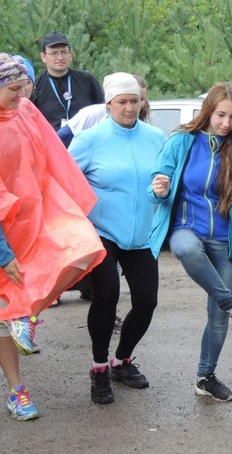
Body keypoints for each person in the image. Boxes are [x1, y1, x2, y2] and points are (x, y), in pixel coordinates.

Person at [0, 54, 105, 419]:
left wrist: (73, 201)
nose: (20, 94)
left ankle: (27, 315)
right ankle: (17, 391)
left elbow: (55, 154)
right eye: (13, 89)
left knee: (84, 247)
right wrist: (2, 252)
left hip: (38, 214)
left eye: (22, 87)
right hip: (4, 230)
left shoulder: (26, 111)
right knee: (1, 317)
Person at [148, 82, 232, 402]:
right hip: (187, 228)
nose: (225, 123)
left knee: (217, 317)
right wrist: (158, 190)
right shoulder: (182, 141)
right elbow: (156, 185)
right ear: (208, 111)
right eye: (220, 115)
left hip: (222, 243)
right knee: (186, 249)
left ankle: (206, 376)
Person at [69, 73, 166, 404]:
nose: (129, 108)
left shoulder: (155, 138)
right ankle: (98, 368)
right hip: (102, 231)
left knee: (147, 301)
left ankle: (121, 362)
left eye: (134, 101)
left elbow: (164, 181)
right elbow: (66, 182)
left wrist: (162, 192)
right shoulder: (90, 139)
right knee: (107, 294)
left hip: (141, 234)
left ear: (142, 102)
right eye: (122, 102)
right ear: (108, 104)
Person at [32, 32, 104, 131]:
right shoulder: (36, 86)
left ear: (70, 54)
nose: (60, 58)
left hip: (86, 140)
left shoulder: (87, 80)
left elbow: (101, 111)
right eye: (54, 53)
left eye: (64, 52)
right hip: (52, 142)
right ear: (43, 57)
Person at [57, 74, 150, 148]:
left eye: (137, 100)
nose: (130, 108)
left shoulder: (149, 132)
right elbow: (55, 141)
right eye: (123, 101)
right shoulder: (91, 115)